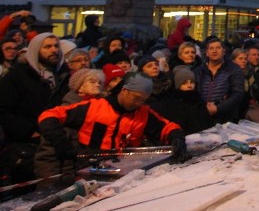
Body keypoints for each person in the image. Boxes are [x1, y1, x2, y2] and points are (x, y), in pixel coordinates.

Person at [36, 74, 189, 178]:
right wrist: (60, 142)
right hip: (88, 171)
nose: (139, 103)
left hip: (125, 173)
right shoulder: (93, 108)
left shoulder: (143, 113)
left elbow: (167, 127)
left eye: (143, 100)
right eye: (136, 98)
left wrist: (177, 137)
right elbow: (49, 115)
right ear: (124, 90)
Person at [0, 33, 70, 182]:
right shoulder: (18, 76)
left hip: (58, 144)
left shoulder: (64, 76)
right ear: (36, 49)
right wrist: (29, 130)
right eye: (48, 47)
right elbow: (3, 110)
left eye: (56, 46)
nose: (54, 50)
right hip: (26, 148)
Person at [151, 66, 214, 136]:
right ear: (178, 85)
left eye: (192, 82)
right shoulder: (172, 103)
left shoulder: (199, 100)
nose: (189, 85)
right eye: (185, 83)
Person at [195, 37, 244, 124]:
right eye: (211, 48)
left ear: (224, 51)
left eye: (218, 48)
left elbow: (238, 94)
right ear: (207, 53)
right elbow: (195, 93)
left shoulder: (234, 69)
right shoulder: (199, 71)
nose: (214, 51)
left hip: (226, 119)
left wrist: (218, 108)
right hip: (202, 116)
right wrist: (203, 107)